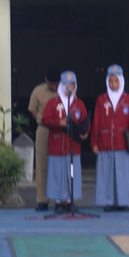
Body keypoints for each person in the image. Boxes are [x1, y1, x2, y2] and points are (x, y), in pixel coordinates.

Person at [41, 70, 89, 213]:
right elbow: (45, 120)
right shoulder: (53, 103)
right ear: (61, 87)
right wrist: (58, 123)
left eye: (72, 87)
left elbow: (85, 121)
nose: (70, 89)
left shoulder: (79, 104)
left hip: (73, 147)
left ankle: (70, 201)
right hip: (57, 146)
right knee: (57, 174)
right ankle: (58, 202)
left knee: (72, 174)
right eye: (67, 86)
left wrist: (85, 133)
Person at [91, 64, 129, 212]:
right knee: (106, 174)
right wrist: (94, 142)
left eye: (116, 81)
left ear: (121, 81)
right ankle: (109, 202)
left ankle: (122, 202)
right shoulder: (101, 99)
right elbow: (96, 121)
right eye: (111, 81)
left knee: (122, 174)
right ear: (107, 82)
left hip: (122, 142)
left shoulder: (128, 100)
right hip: (104, 142)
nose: (113, 84)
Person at [28, 67, 61, 211]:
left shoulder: (66, 90)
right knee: (42, 164)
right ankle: (42, 200)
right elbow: (33, 110)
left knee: (61, 165)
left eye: (56, 84)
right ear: (46, 80)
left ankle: (62, 200)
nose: (54, 87)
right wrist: (44, 120)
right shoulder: (38, 91)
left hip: (61, 131)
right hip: (44, 129)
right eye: (51, 84)